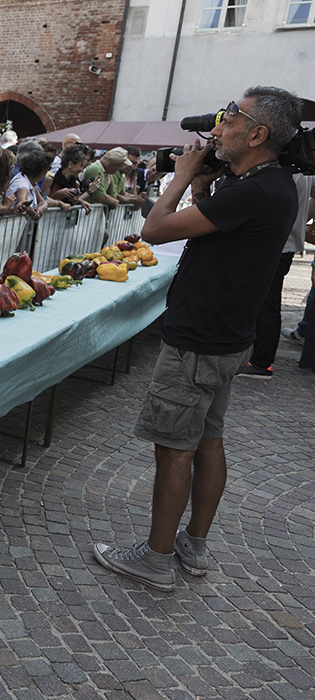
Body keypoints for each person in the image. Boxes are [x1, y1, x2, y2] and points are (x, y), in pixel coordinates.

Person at [93, 86, 303, 592]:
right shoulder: (269, 185)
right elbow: (216, 228)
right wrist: (204, 187)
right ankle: (193, 543)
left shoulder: (255, 189)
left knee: (174, 448)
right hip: (227, 337)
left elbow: (156, 229)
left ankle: (156, 558)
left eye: (231, 117)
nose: (218, 126)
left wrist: (182, 175)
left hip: (198, 341)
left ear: (258, 134)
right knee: (208, 440)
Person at [237, 173, 315, 379]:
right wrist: (299, 220)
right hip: (283, 243)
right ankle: (259, 357)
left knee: (266, 304)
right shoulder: (302, 169)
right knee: (264, 302)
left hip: (277, 244)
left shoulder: (288, 169)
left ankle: (262, 362)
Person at [42, 142, 95, 208]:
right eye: (81, 166)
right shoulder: (50, 180)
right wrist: (58, 194)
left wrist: (79, 201)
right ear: (70, 164)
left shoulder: (76, 184)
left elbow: (72, 205)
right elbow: (42, 202)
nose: (82, 170)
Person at [7, 148, 52, 219]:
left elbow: (41, 201)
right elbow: (23, 205)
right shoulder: (23, 184)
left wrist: (43, 206)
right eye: (48, 168)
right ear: (41, 170)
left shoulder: (31, 181)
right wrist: (34, 212)